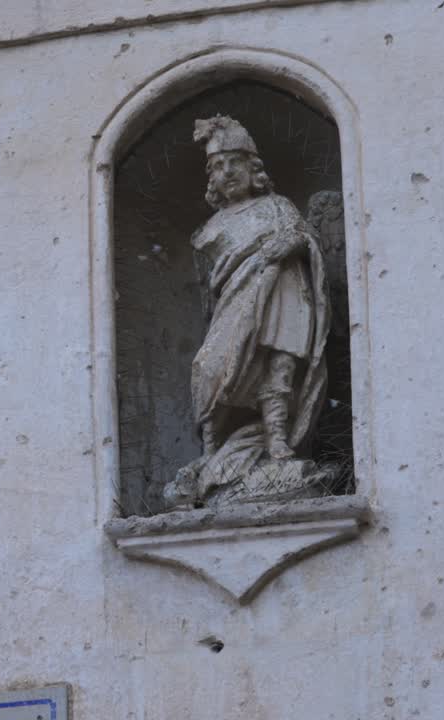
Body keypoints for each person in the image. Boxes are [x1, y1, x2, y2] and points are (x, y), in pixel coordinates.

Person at [164, 116, 332, 507]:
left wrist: (291, 243)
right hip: (235, 306)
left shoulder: (277, 206)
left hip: (284, 301)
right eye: (217, 166)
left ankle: (278, 446)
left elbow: (306, 240)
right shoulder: (211, 228)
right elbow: (210, 282)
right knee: (208, 369)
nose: (227, 173)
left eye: (234, 163)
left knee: (280, 369)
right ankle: (210, 454)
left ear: (252, 167)